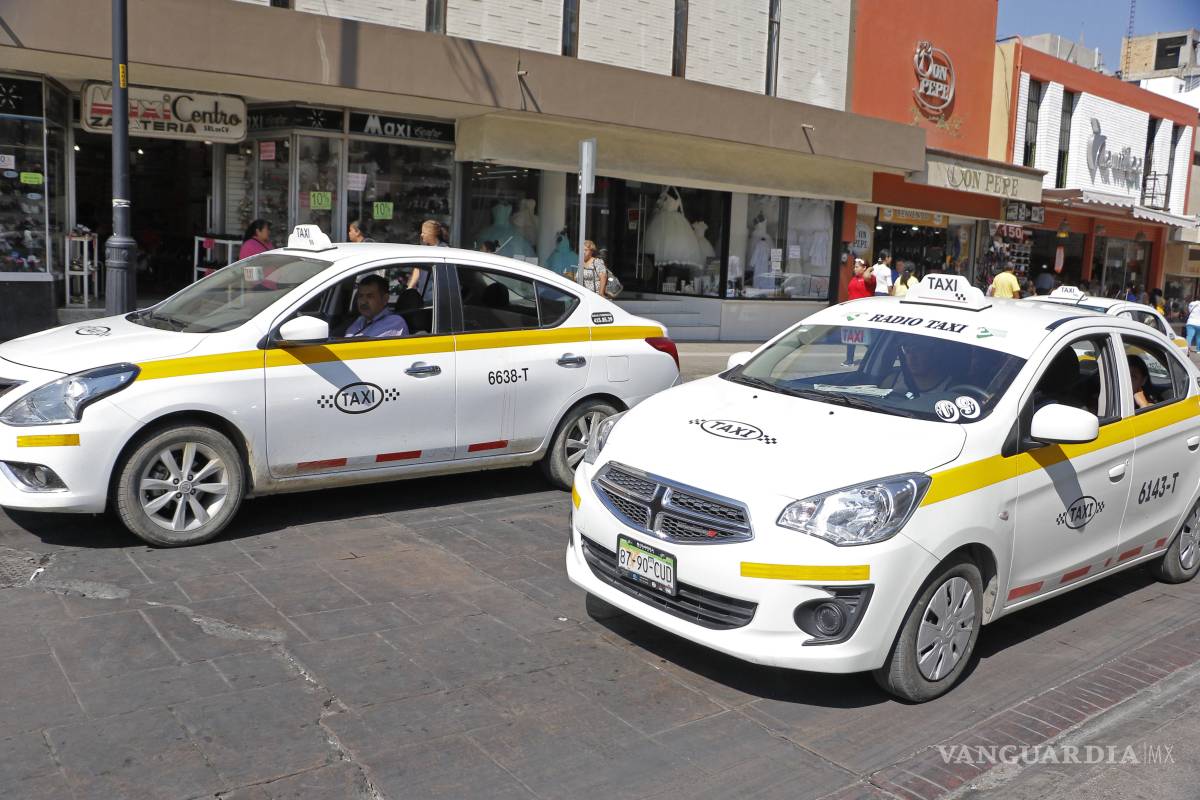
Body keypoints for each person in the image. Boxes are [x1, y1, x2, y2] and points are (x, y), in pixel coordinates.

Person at [344, 274, 408, 338]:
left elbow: (365, 345)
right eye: (360, 296)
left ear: (384, 299)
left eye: (369, 296)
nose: (363, 301)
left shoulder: (394, 322)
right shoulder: (361, 320)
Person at [842, 258, 871, 366]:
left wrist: (868, 269)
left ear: (864, 268)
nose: (854, 269)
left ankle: (874, 353)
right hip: (852, 311)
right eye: (854, 267)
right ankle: (849, 359)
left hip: (862, 312)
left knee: (862, 337)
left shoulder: (868, 279)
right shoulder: (854, 279)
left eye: (857, 267)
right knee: (851, 336)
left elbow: (869, 275)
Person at [409, 219, 446, 292]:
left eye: (424, 232)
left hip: (435, 295)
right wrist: (410, 287)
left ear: (432, 233)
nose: (421, 235)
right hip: (423, 293)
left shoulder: (444, 250)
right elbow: (418, 269)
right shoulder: (424, 249)